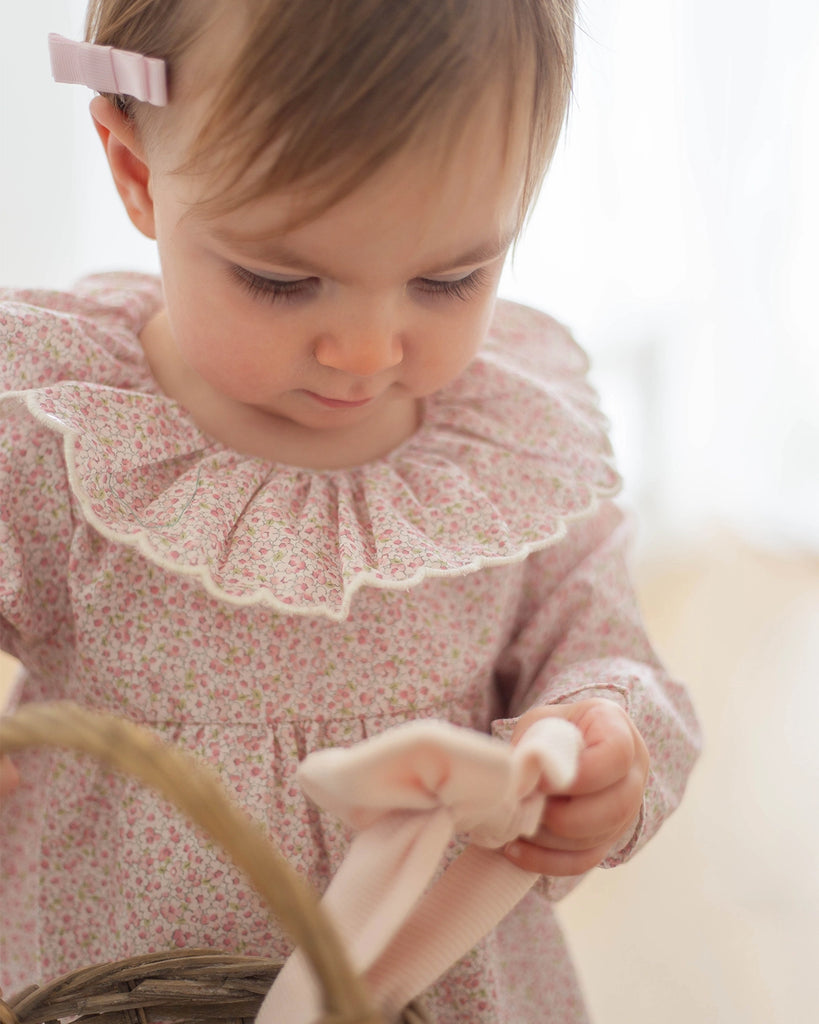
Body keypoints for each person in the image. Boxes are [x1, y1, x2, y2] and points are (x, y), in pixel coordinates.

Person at [0, 1, 701, 1020]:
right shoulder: (61, 426)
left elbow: (602, 643)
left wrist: (601, 738)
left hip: (435, 977)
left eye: (449, 279)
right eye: (280, 281)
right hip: (122, 975)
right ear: (137, 171)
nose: (367, 351)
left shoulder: (504, 450)